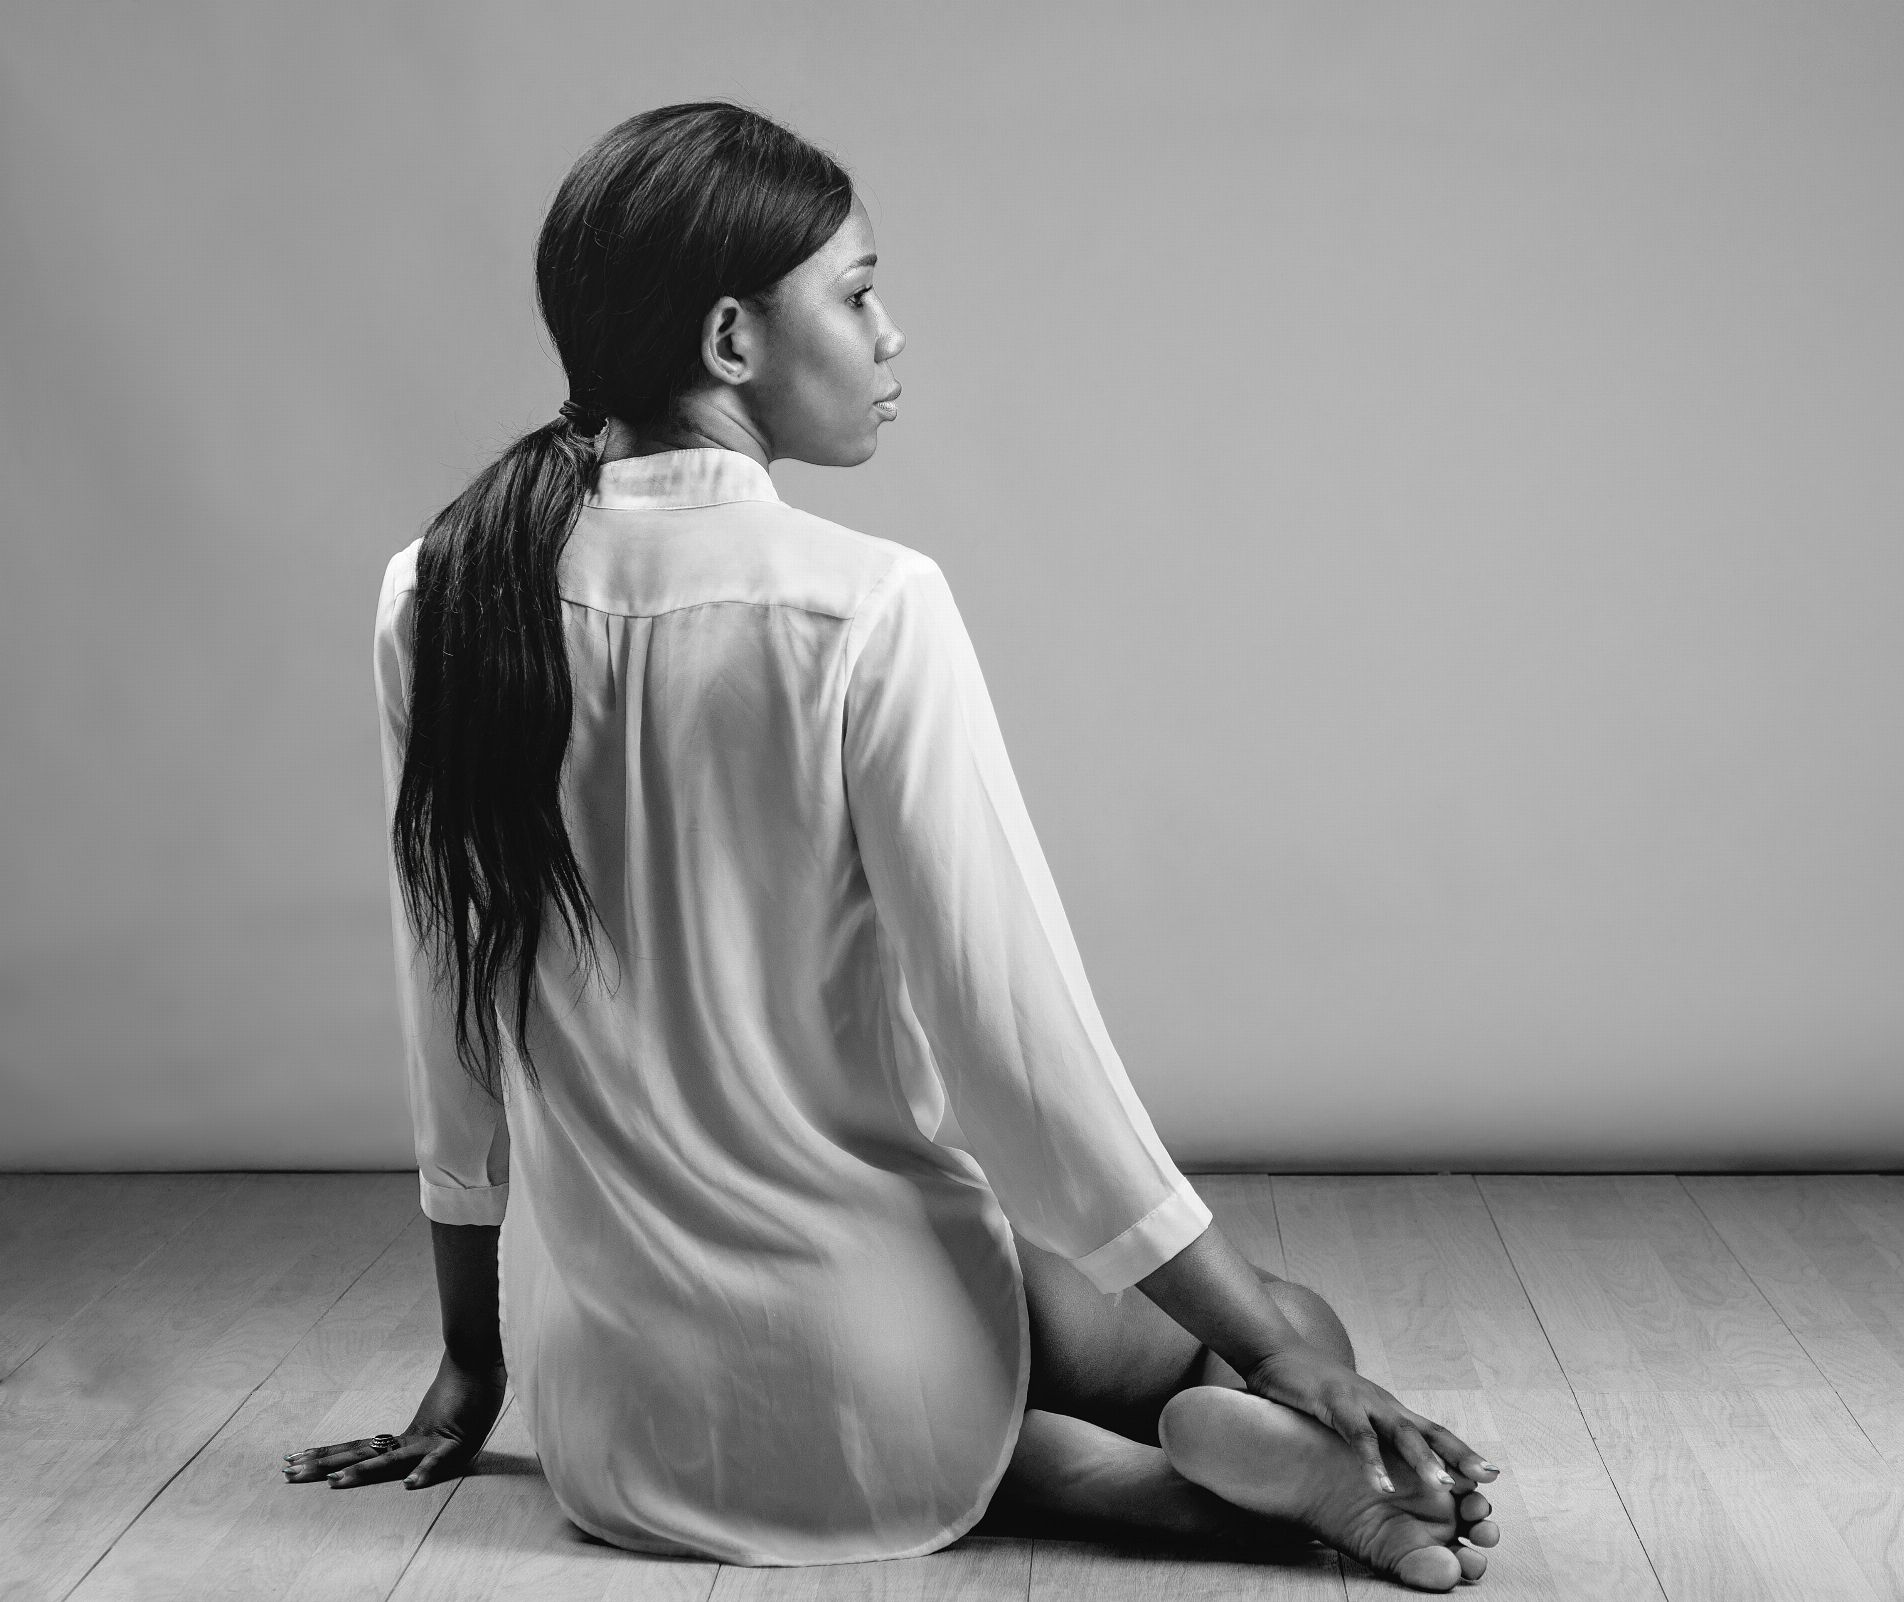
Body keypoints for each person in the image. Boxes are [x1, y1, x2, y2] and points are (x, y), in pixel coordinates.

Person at [279, 101, 1502, 1592]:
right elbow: (1022, 1048)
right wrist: (1267, 1346)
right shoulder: (864, 603)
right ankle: (1240, 1463)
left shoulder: (436, 593)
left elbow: (450, 1009)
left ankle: (1118, 1486)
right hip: (884, 1340)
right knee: (1294, 1321)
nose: (891, 334)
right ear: (731, 339)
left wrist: (472, 1364)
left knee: (922, 1414)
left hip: (610, 1413)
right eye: (857, 295)